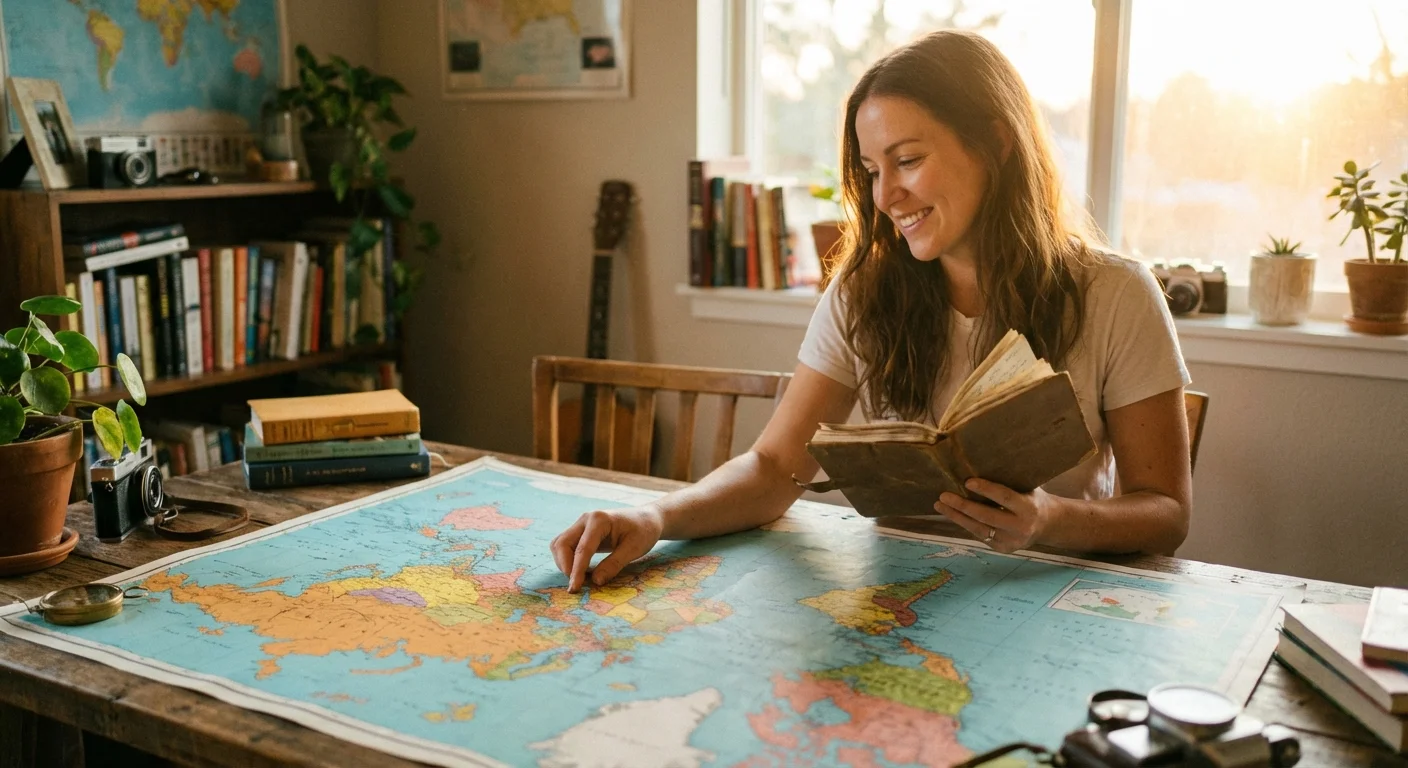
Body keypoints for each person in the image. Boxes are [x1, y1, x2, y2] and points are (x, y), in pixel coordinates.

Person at [550, 29, 1192, 593]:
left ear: (997, 145)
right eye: (870, 169)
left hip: (1047, 591)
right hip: (897, 599)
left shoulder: (1117, 293)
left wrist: (1050, 520)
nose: (886, 195)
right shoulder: (863, 292)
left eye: (908, 160)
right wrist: (656, 517)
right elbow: (776, 468)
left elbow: (1165, 513)